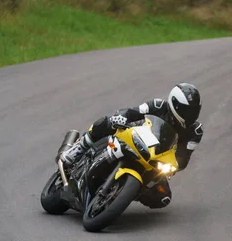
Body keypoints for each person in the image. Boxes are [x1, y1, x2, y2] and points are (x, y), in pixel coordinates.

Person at [59, 82, 204, 209]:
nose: (191, 115)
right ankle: (79, 149)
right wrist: (121, 117)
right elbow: (131, 112)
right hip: (135, 138)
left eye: (194, 111)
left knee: (163, 198)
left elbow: (184, 159)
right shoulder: (158, 105)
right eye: (187, 111)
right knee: (105, 123)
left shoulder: (195, 132)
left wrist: (173, 167)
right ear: (175, 104)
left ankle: (124, 192)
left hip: (157, 159)